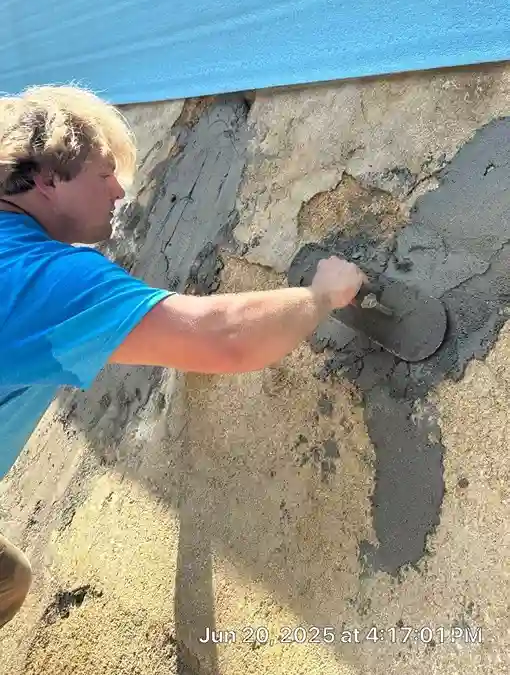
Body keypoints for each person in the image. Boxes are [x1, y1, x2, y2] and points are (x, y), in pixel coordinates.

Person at [0, 84, 365, 629]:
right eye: (103, 175)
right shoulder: (39, 277)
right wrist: (321, 295)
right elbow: (224, 339)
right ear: (49, 179)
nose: (120, 192)